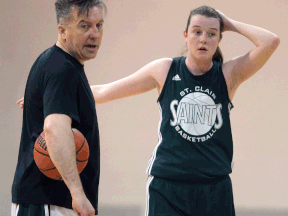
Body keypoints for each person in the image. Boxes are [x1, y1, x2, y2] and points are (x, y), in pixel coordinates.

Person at [16, 5, 280, 216]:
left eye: (212, 33)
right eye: (197, 31)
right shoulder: (165, 70)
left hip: (215, 186)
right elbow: (105, 91)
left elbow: (270, 41)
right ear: (185, 35)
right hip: (167, 185)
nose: (204, 38)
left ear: (220, 38)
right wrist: (47, 98)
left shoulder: (227, 75)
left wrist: (227, 21)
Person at [12, 0, 107, 216]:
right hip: (48, 201)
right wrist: (78, 194)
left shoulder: (60, 64)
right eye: (85, 26)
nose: (95, 34)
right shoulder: (62, 69)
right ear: (62, 31)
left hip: (48, 202)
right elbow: (54, 130)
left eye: (99, 25)